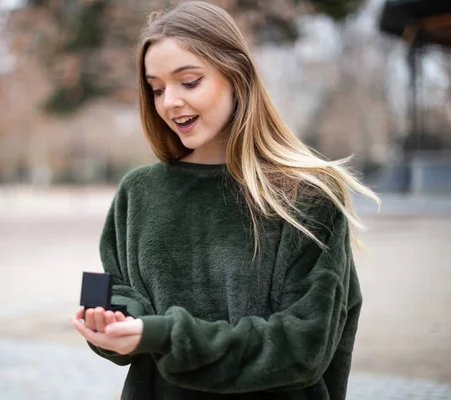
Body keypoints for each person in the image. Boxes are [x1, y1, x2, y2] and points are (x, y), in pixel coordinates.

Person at [71, 1, 380, 399]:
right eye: (157, 89)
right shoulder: (138, 192)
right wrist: (111, 321)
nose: (169, 102)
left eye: (189, 81)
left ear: (236, 75)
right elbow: (119, 291)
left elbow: (304, 346)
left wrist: (166, 336)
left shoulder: (307, 196)